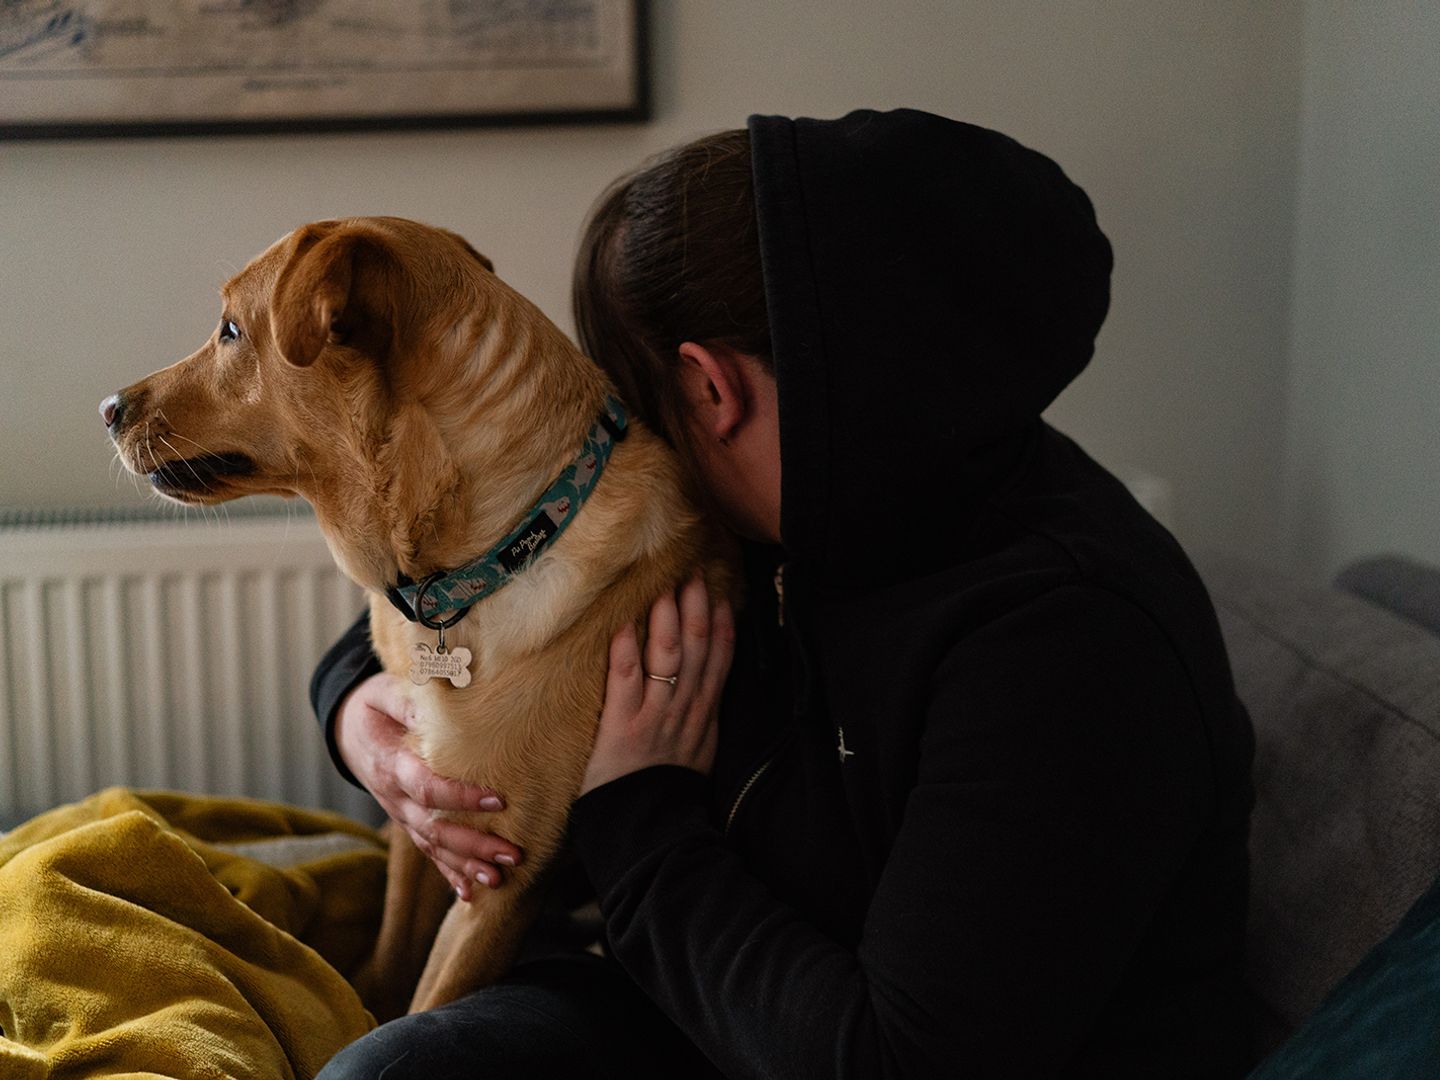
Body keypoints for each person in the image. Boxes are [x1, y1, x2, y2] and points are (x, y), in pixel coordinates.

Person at [311, 108, 1256, 1078]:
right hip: (693, 991)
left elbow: (885, 1061)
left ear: (711, 390)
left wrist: (637, 815)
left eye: (632, 409)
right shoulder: (816, 496)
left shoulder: (1067, 644)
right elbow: (491, 582)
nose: (610, 458)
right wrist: (358, 711)